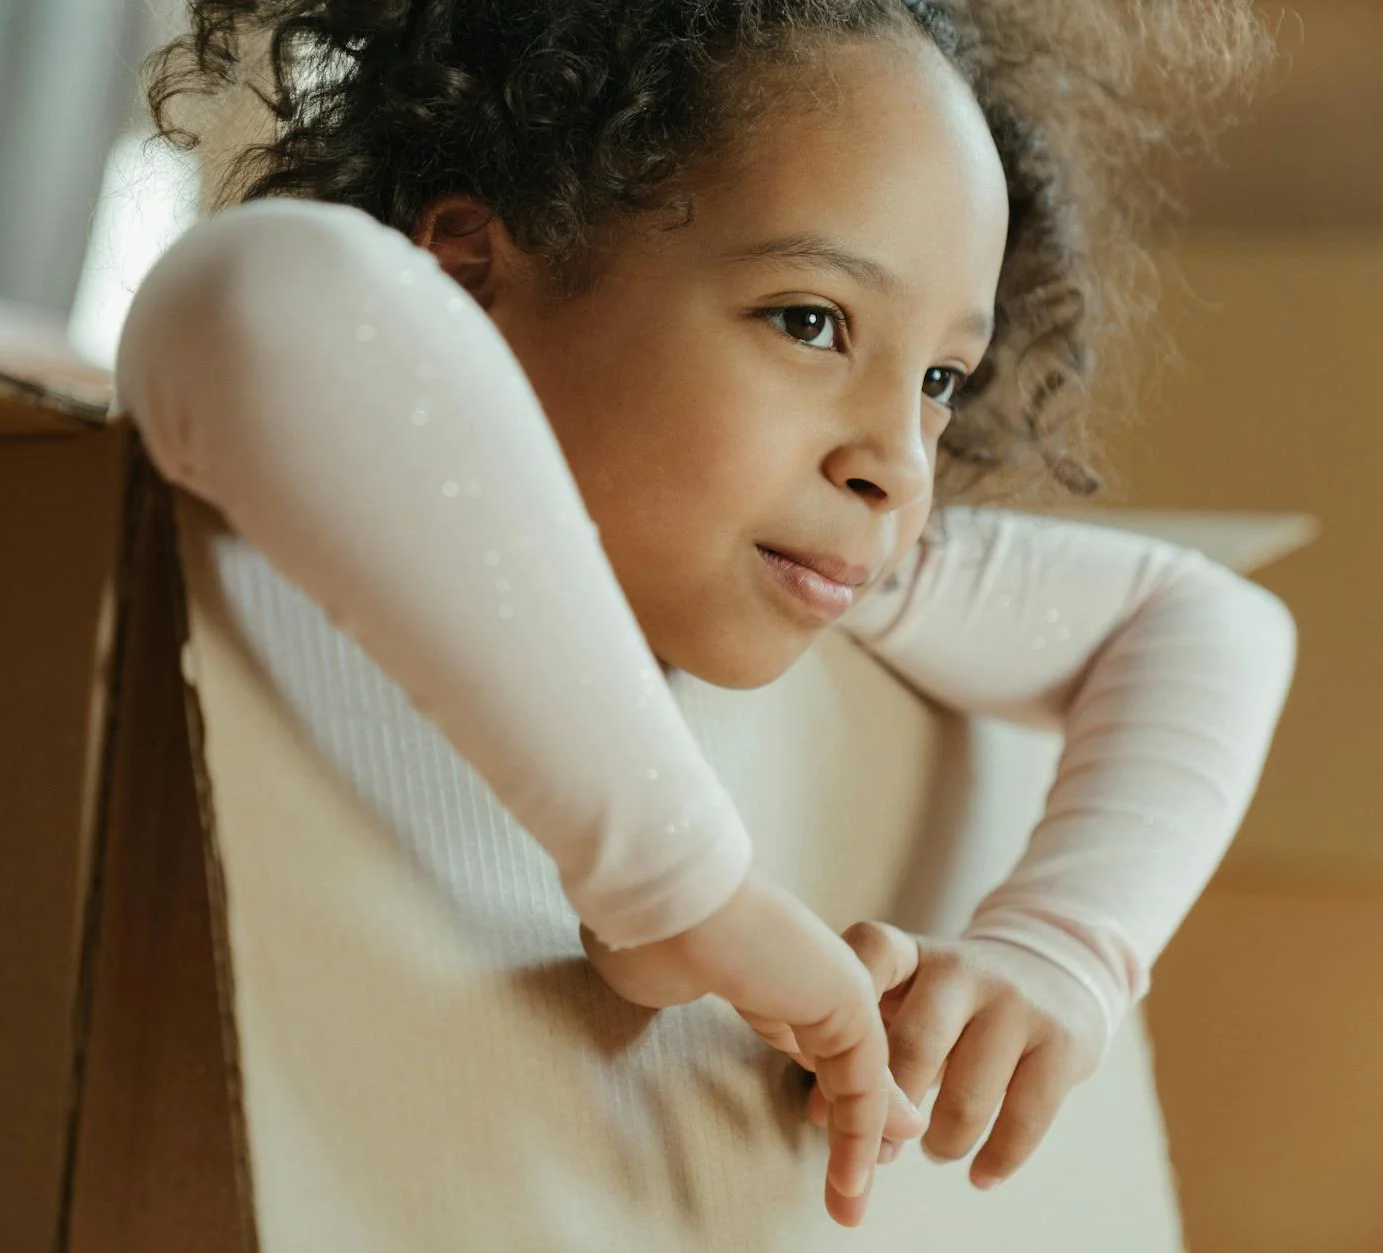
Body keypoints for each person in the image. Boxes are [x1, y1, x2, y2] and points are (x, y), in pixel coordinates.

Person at [116, 0, 1289, 1228]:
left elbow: (1208, 619)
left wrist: (1058, 950)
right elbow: (260, 291)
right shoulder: (329, 390)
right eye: (808, 320)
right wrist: (680, 892)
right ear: (466, 272)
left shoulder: (840, 537)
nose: (897, 458)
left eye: (939, 379)